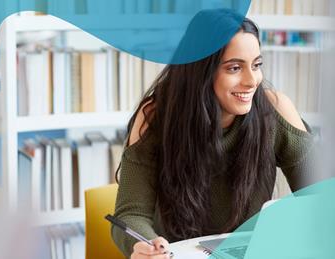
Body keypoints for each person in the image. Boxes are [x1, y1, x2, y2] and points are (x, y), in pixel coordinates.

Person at [111, 9, 314, 259]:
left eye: (257, 65)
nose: (252, 80)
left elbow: (322, 196)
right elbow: (130, 214)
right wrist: (143, 244)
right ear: (202, 71)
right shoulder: (155, 117)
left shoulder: (275, 109)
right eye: (234, 68)